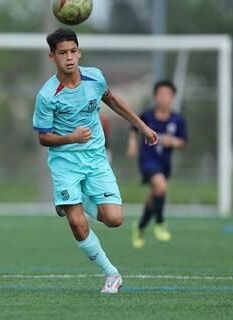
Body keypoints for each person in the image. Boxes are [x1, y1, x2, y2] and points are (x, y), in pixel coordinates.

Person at [32, 29, 158, 293]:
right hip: (64, 162)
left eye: (72, 51)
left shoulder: (95, 77)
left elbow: (113, 101)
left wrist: (143, 127)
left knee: (114, 219)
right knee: (77, 222)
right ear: (52, 57)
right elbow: (43, 137)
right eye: (62, 53)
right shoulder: (47, 95)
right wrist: (71, 137)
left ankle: (68, 202)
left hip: (96, 159)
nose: (69, 58)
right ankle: (111, 274)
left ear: (79, 52)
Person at [127, 80, 187, 248]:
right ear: (155, 96)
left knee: (155, 194)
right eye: (160, 94)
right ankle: (160, 222)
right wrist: (132, 143)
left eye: (167, 95)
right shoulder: (147, 115)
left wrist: (172, 141)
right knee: (160, 186)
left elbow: (183, 142)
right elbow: (133, 127)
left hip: (164, 164)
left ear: (173, 97)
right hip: (147, 160)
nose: (164, 98)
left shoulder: (178, 120)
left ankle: (139, 227)